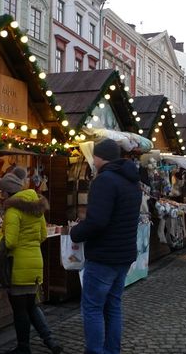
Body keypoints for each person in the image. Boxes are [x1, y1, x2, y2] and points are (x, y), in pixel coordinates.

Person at [70, 138, 142, 354]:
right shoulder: (131, 182)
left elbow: (98, 221)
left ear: (99, 157)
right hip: (123, 255)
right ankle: (112, 350)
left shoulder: (105, 180)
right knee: (113, 306)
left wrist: (76, 232)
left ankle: (95, 351)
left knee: (92, 308)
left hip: (104, 256)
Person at [0, 167, 62, 354]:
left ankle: (23, 348)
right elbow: (43, 235)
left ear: (9, 191)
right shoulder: (37, 208)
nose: (1, 194)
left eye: (3, 191)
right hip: (36, 263)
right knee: (31, 305)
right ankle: (50, 341)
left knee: (20, 310)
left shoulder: (13, 211)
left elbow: (10, 242)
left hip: (18, 266)